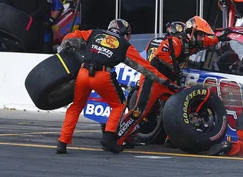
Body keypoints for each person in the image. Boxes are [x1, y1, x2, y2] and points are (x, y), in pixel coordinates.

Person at [56, 19, 178, 154]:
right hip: (102, 74)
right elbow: (145, 68)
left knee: (76, 107)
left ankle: (62, 142)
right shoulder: (125, 45)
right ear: (126, 33)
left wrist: (61, 51)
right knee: (119, 105)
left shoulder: (94, 33)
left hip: (83, 73)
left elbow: (70, 38)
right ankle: (108, 138)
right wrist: (166, 82)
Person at [117, 17, 218, 148]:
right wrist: (174, 68)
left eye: (202, 35)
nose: (201, 38)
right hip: (154, 79)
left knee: (181, 106)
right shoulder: (176, 41)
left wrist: (220, 38)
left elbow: (208, 42)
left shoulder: (192, 44)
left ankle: (172, 138)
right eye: (200, 35)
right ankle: (116, 136)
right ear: (190, 32)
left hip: (168, 83)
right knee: (140, 111)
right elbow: (161, 55)